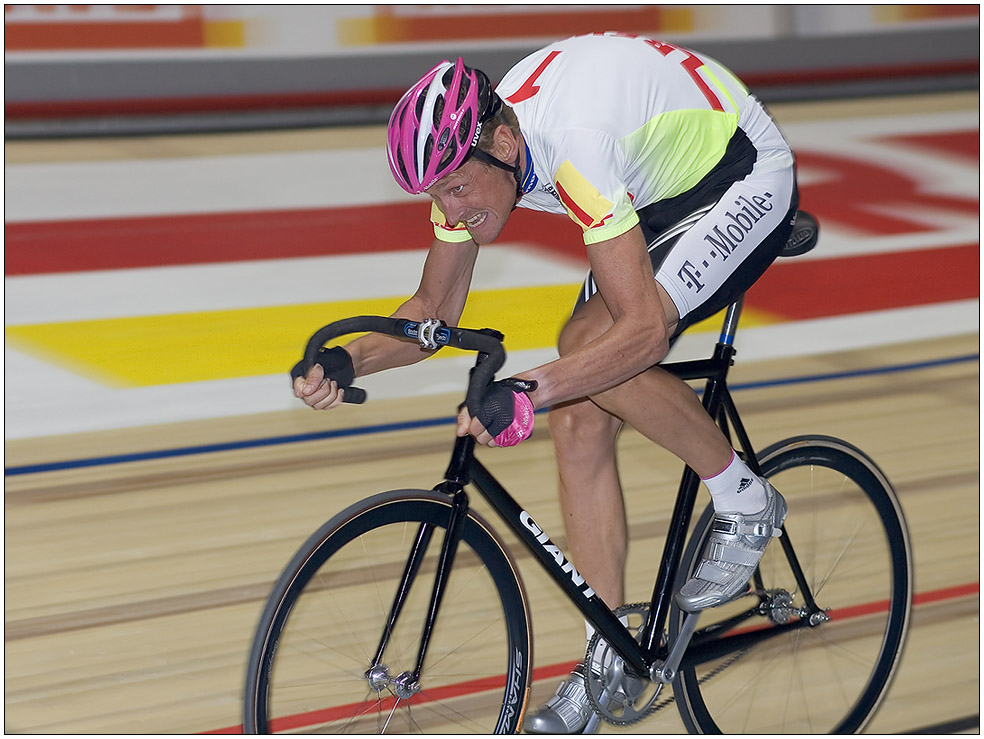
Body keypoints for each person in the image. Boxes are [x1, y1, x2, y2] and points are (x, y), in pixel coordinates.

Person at [293, 31, 797, 734]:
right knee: (580, 411)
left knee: (589, 348)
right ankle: (608, 654)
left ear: (501, 145)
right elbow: (433, 312)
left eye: (459, 189)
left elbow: (644, 333)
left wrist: (527, 389)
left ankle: (745, 498)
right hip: (650, 191)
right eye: (438, 195)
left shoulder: (574, 144)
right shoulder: (475, 158)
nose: (452, 210)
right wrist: (349, 360)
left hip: (737, 172)